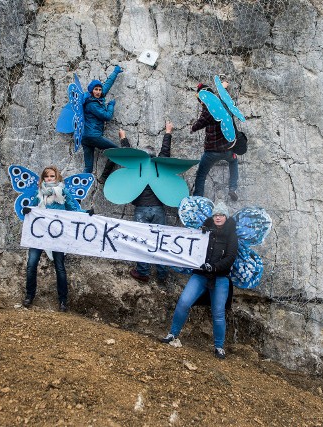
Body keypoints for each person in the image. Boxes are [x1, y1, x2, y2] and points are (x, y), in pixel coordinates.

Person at [160, 202, 238, 359]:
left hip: (220, 277)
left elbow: (230, 257)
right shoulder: (204, 230)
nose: (218, 217)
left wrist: (214, 267)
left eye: (221, 215)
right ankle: (172, 334)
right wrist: (199, 235)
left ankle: (219, 346)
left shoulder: (231, 234)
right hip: (200, 274)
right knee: (184, 302)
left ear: (226, 217)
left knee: (218, 312)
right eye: (216, 215)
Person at [21, 165, 85, 312]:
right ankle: (29, 296)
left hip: (57, 236)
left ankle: (63, 301)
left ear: (57, 177)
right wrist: (28, 210)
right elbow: (35, 209)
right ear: (43, 178)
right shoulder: (39, 193)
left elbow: (73, 209)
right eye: (46, 176)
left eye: (52, 176)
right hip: (39, 234)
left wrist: (87, 213)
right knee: (31, 264)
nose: (49, 179)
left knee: (60, 267)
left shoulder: (63, 192)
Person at [122, 122, 174, 285]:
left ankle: (143, 272)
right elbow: (165, 152)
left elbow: (128, 155)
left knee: (141, 241)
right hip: (158, 209)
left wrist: (123, 138)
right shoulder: (159, 167)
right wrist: (167, 132)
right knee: (160, 241)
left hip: (141, 210)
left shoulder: (137, 168)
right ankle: (162, 274)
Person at [191, 82, 239, 201]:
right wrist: (224, 88)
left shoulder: (207, 111)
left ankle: (198, 199)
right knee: (233, 161)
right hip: (227, 150)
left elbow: (197, 125)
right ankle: (232, 188)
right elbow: (225, 99)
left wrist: (192, 128)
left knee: (201, 175)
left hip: (211, 152)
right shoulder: (221, 105)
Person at [82, 65, 124, 182]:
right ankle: (104, 177)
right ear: (91, 91)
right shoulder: (92, 104)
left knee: (88, 168)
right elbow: (107, 116)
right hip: (93, 136)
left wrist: (115, 72)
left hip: (85, 138)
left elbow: (106, 86)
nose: (99, 92)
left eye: (99, 90)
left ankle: (81, 189)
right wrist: (110, 105)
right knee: (115, 150)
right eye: (96, 89)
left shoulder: (95, 98)